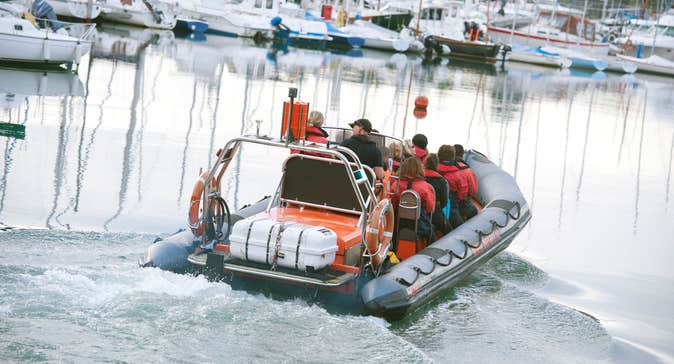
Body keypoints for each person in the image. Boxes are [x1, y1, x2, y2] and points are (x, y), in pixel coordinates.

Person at [390, 158, 435, 239]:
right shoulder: (425, 186)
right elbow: (430, 208)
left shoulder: (396, 184)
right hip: (419, 225)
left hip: (398, 224)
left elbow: (392, 204)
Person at [437, 144, 468, 228]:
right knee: (473, 211)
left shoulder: (432, 169)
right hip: (451, 206)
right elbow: (462, 195)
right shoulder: (459, 174)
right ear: (453, 157)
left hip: (434, 205)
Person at [424, 154, 451, 235]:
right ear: (437, 164)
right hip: (435, 211)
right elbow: (444, 201)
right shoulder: (441, 181)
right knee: (449, 231)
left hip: (421, 210)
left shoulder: (420, 176)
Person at [452, 144, 478, 220]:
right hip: (462, 202)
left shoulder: (444, 167)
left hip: (448, 201)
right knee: (474, 211)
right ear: (462, 155)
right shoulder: (468, 171)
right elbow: (473, 190)